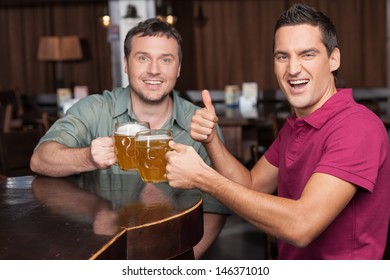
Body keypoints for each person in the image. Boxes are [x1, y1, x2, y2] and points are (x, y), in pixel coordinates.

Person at [165, 3, 390, 259]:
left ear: (333, 59)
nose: (293, 69)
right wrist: (211, 140)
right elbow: (252, 185)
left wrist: (202, 178)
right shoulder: (297, 123)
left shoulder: (356, 127)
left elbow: (301, 225)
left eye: (307, 54)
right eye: (282, 56)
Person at [30, 18, 230, 259]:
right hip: (102, 251)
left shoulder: (200, 125)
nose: (154, 70)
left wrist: (179, 263)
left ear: (178, 68)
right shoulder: (95, 109)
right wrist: (87, 157)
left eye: (166, 59)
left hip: (172, 254)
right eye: (142, 58)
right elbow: (40, 159)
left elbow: (215, 209)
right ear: (126, 64)